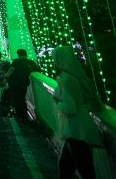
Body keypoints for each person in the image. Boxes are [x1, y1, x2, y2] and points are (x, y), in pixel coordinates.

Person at [53, 46, 103, 179]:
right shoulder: (78, 76)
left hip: (75, 129)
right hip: (82, 125)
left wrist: (57, 101)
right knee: (66, 165)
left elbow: (70, 108)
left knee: (82, 169)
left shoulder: (66, 79)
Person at [6, 48, 39, 119]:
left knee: (16, 99)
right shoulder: (30, 62)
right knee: (22, 98)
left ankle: (20, 115)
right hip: (24, 83)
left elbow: (11, 70)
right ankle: (24, 115)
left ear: (18, 54)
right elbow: (37, 71)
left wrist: (6, 77)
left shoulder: (16, 61)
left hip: (14, 83)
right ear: (25, 54)